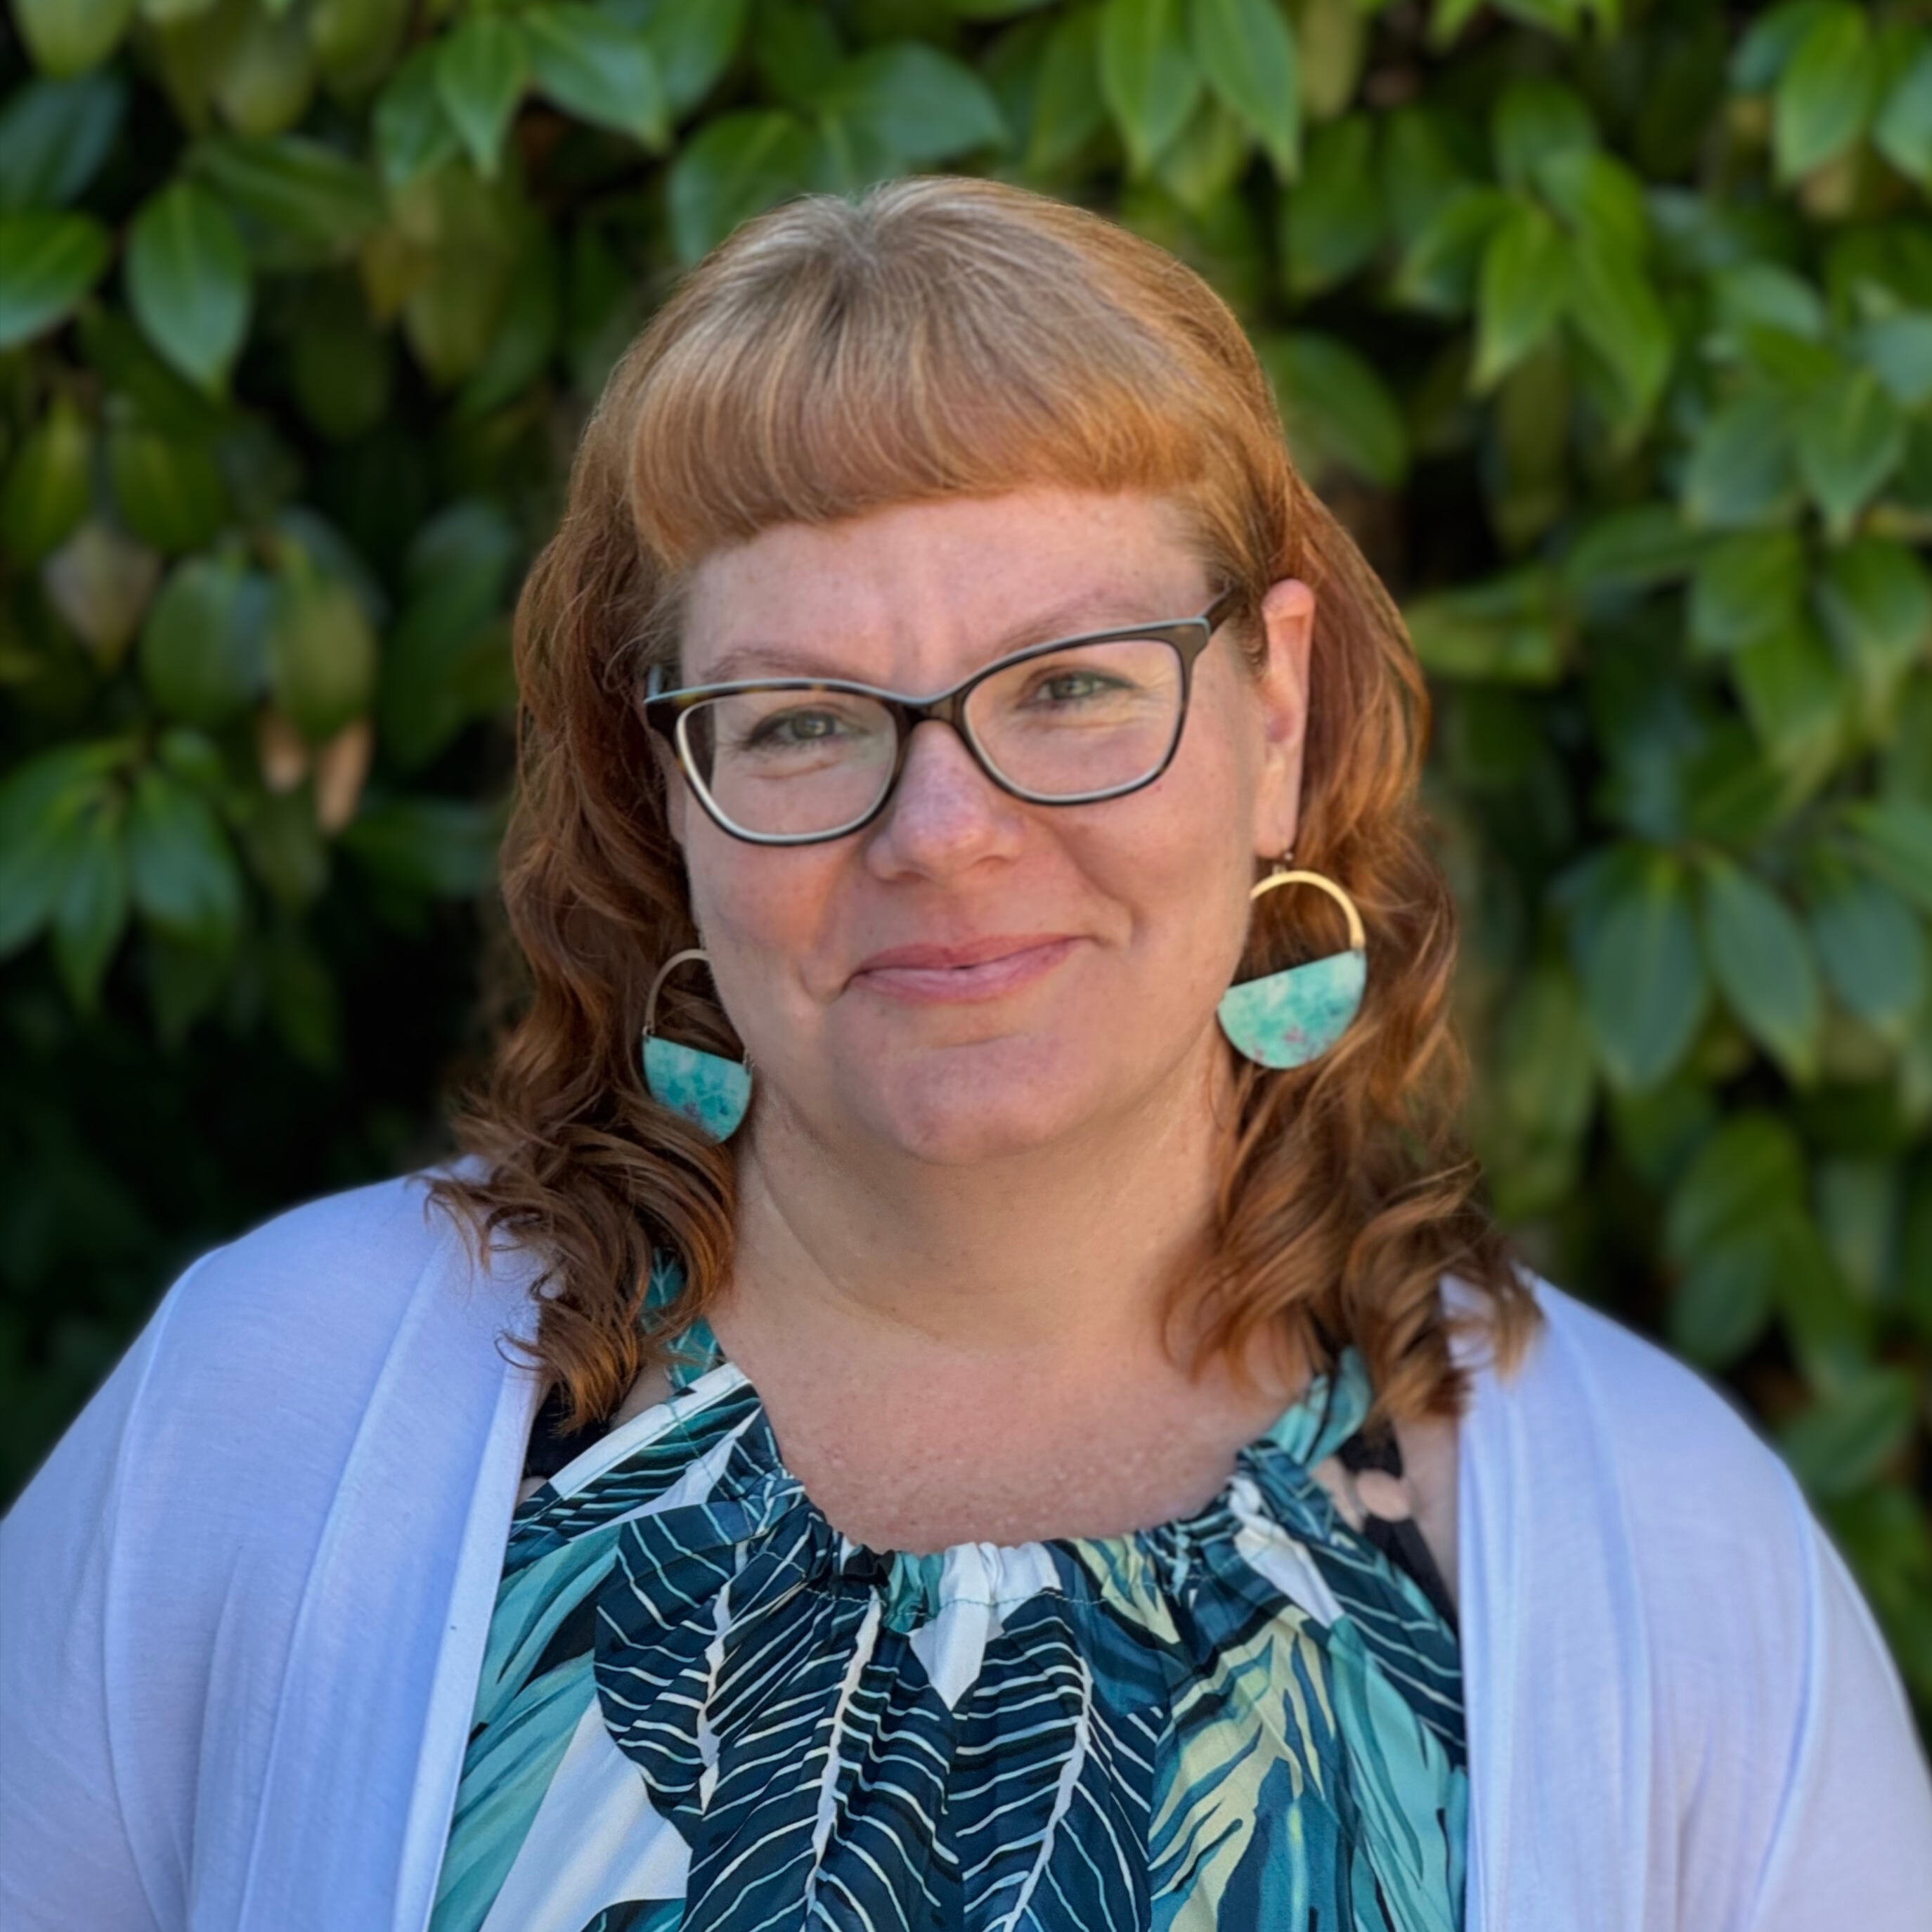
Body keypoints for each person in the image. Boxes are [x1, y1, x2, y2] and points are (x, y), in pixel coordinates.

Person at [2, 176, 1928, 1932]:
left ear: (1274, 712)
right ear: (665, 793)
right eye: (801, 722)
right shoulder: (269, 1422)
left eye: (1073, 687)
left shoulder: (1667, 1557)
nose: (941, 833)